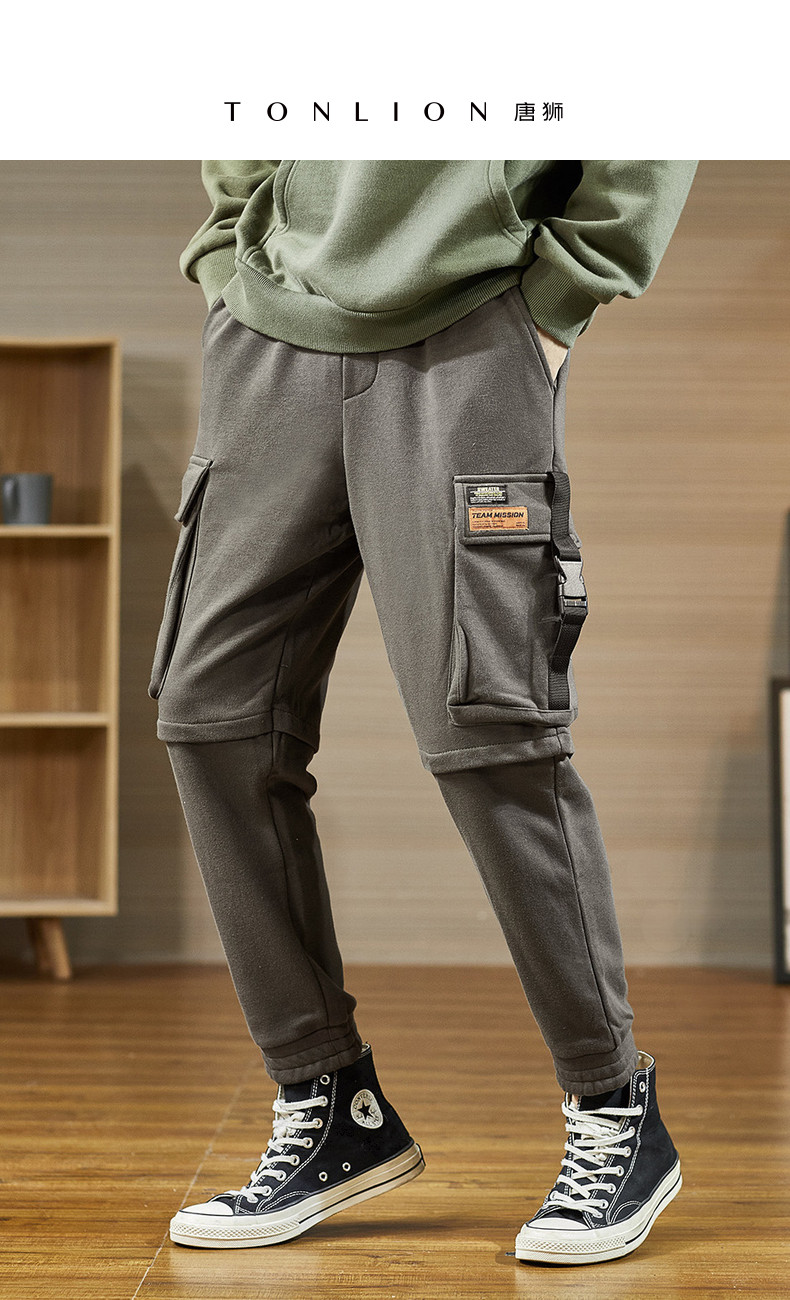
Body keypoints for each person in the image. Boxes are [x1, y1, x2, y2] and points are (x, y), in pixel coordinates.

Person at [148, 160, 697, 1265]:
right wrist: (231, 246)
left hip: (470, 322)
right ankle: (327, 1099)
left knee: (489, 727)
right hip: (271, 331)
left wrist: (562, 292)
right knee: (212, 715)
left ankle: (615, 1108)